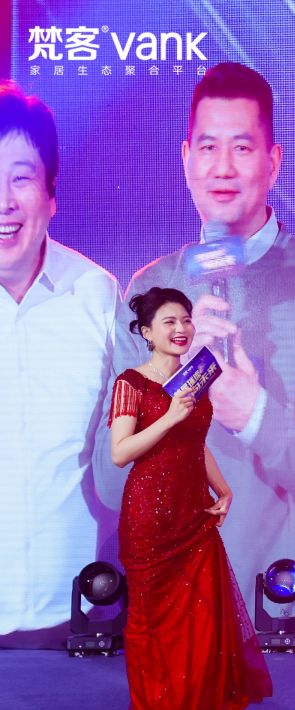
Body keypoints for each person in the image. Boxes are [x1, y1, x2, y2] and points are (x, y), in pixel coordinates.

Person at [104, 62, 295, 611]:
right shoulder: (150, 289)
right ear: (186, 158)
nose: (222, 168)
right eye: (208, 147)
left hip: (282, 602)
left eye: (242, 147)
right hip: (171, 594)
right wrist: (173, 382)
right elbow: (107, 479)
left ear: (273, 162)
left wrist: (254, 415)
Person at [109, 287, 273, 710]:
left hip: (194, 515)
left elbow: (194, 445)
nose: (181, 329)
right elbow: (121, 453)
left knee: (204, 627)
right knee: (155, 629)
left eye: (185, 319)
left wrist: (223, 489)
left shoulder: (194, 379)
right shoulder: (131, 383)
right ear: (146, 332)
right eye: (169, 322)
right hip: (149, 520)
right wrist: (168, 417)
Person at [0, 80, 121, 638]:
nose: (4, 201)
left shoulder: (98, 297)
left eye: (21, 177)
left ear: (51, 195)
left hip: (79, 624)